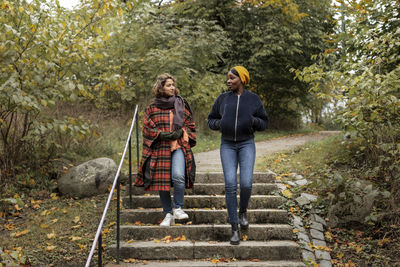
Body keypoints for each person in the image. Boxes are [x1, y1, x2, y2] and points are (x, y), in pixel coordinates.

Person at [208, 66, 268, 245]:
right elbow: (211, 119)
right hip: (227, 144)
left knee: (247, 183)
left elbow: (264, 122)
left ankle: (243, 211)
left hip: (246, 143)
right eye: (227, 78)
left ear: (242, 79)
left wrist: (252, 121)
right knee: (230, 185)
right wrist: (221, 124)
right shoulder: (222, 99)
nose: (228, 81)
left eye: (232, 78)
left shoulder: (253, 99)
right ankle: (234, 228)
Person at [135, 73, 196, 227]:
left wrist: (182, 132)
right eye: (169, 85)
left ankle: (178, 208)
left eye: (173, 85)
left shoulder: (181, 104)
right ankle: (167, 214)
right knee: (162, 182)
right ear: (161, 87)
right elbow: (147, 127)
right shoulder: (152, 108)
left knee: (178, 176)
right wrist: (160, 134)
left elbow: (190, 124)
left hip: (178, 146)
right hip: (160, 148)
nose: (172, 88)